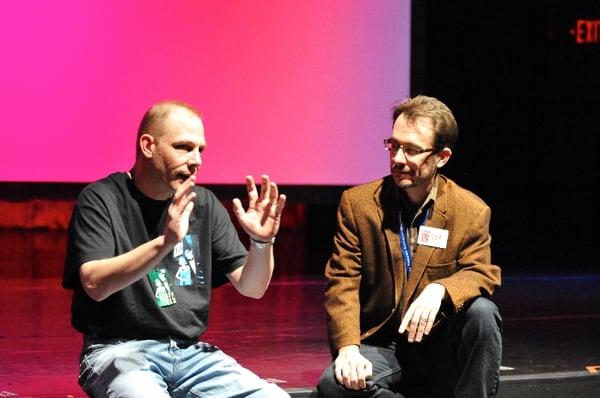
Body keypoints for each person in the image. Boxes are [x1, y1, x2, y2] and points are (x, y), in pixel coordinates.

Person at [62, 100, 290, 398]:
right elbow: (94, 284)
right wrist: (166, 241)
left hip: (190, 354)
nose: (197, 160)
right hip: (117, 351)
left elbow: (252, 287)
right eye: (184, 147)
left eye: (200, 150)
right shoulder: (102, 199)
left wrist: (261, 243)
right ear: (148, 146)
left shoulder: (203, 203)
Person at [316, 95, 502, 397]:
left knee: (483, 313)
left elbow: (481, 272)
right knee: (334, 385)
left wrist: (441, 289)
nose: (398, 158)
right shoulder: (359, 204)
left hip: (437, 347)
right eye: (394, 145)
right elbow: (343, 281)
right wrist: (348, 349)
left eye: (412, 150)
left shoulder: (469, 210)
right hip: (381, 343)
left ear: (442, 157)